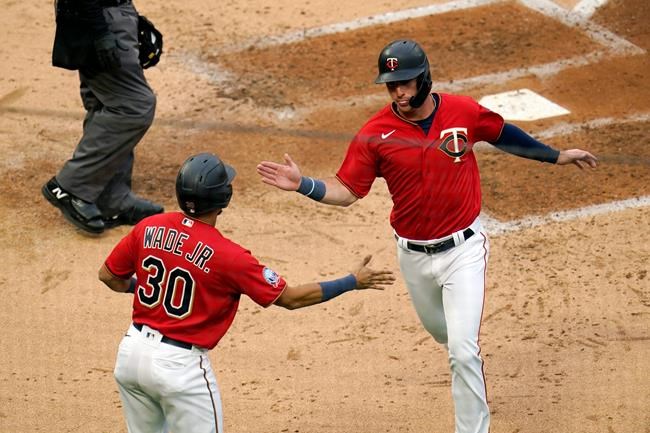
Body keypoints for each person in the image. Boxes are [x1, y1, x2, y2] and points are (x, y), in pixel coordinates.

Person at [256, 39, 598, 433]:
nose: (399, 92)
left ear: (424, 78)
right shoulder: (375, 134)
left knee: (462, 351)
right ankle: (465, 371)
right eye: (391, 85)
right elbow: (347, 192)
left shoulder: (462, 112)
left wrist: (555, 155)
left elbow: (503, 133)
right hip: (414, 257)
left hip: (464, 248)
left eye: (405, 82)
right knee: (445, 335)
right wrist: (303, 185)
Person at [98, 152, 395, 433]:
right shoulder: (230, 256)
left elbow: (109, 276)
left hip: (130, 355)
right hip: (179, 370)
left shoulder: (149, 227)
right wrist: (351, 281)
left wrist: (147, 290)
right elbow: (291, 299)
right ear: (223, 198)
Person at [43, 0, 163, 235]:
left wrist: (128, 17)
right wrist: (100, 30)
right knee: (134, 105)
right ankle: (71, 186)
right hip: (98, 15)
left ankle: (110, 197)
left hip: (109, 12)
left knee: (105, 104)